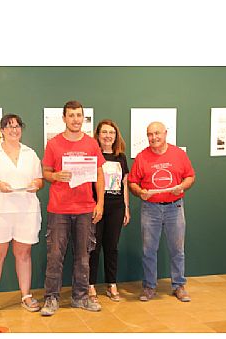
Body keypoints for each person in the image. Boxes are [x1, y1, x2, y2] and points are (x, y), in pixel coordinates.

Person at [40, 100, 106, 316]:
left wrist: (100, 203)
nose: (76, 119)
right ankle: (51, 299)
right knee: (55, 255)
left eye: (79, 115)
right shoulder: (54, 144)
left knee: (83, 256)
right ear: (64, 118)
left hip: (86, 209)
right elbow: (46, 172)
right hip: (59, 209)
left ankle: (81, 298)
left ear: (83, 118)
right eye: (71, 115)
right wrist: (55, 176)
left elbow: (99, 175)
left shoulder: (91, 144)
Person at [0, 113, 44, 318]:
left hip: (26, 211)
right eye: (9, 126)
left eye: (17, 126)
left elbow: (39, 179)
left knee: (23, 255)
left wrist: (35, 185)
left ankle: (26, 295)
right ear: (2, 130)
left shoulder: (30, 153)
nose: (14, 130)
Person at [128, 121, 195, 302]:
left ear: (165, 133)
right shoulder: (142, 157)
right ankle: (149, 287)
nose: (154, 137)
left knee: (177, 249)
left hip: (175, 206)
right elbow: (132, 182)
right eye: (150, 134)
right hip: (151, 209)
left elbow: (190, 176)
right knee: (149, 250)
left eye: (157, 133)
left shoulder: (179, 154)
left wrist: (182, 186)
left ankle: (179, 286)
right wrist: (140, 192)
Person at [88, 119, 130, 304]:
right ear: (98, 135)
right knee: (94, 248)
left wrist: (126, 207)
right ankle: (90, 285)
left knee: (112, 248)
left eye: (111, 132)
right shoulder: (93, 155)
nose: (108, 136)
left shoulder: (121, 157)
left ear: (116, 135)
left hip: (117, 207)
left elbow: (125, 183)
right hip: (96, 206)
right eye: (104, 132)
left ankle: (111, 284)